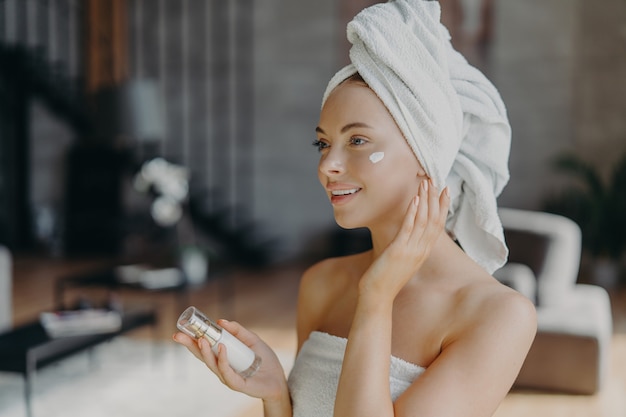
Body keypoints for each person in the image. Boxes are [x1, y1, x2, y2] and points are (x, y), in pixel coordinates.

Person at [173, 1, 537, 416]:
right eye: (323, 143)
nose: (328, 165)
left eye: (358, 141)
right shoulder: (323, 283)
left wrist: (377, 297)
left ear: (426, 156)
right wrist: (276, 397)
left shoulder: (497, 315)